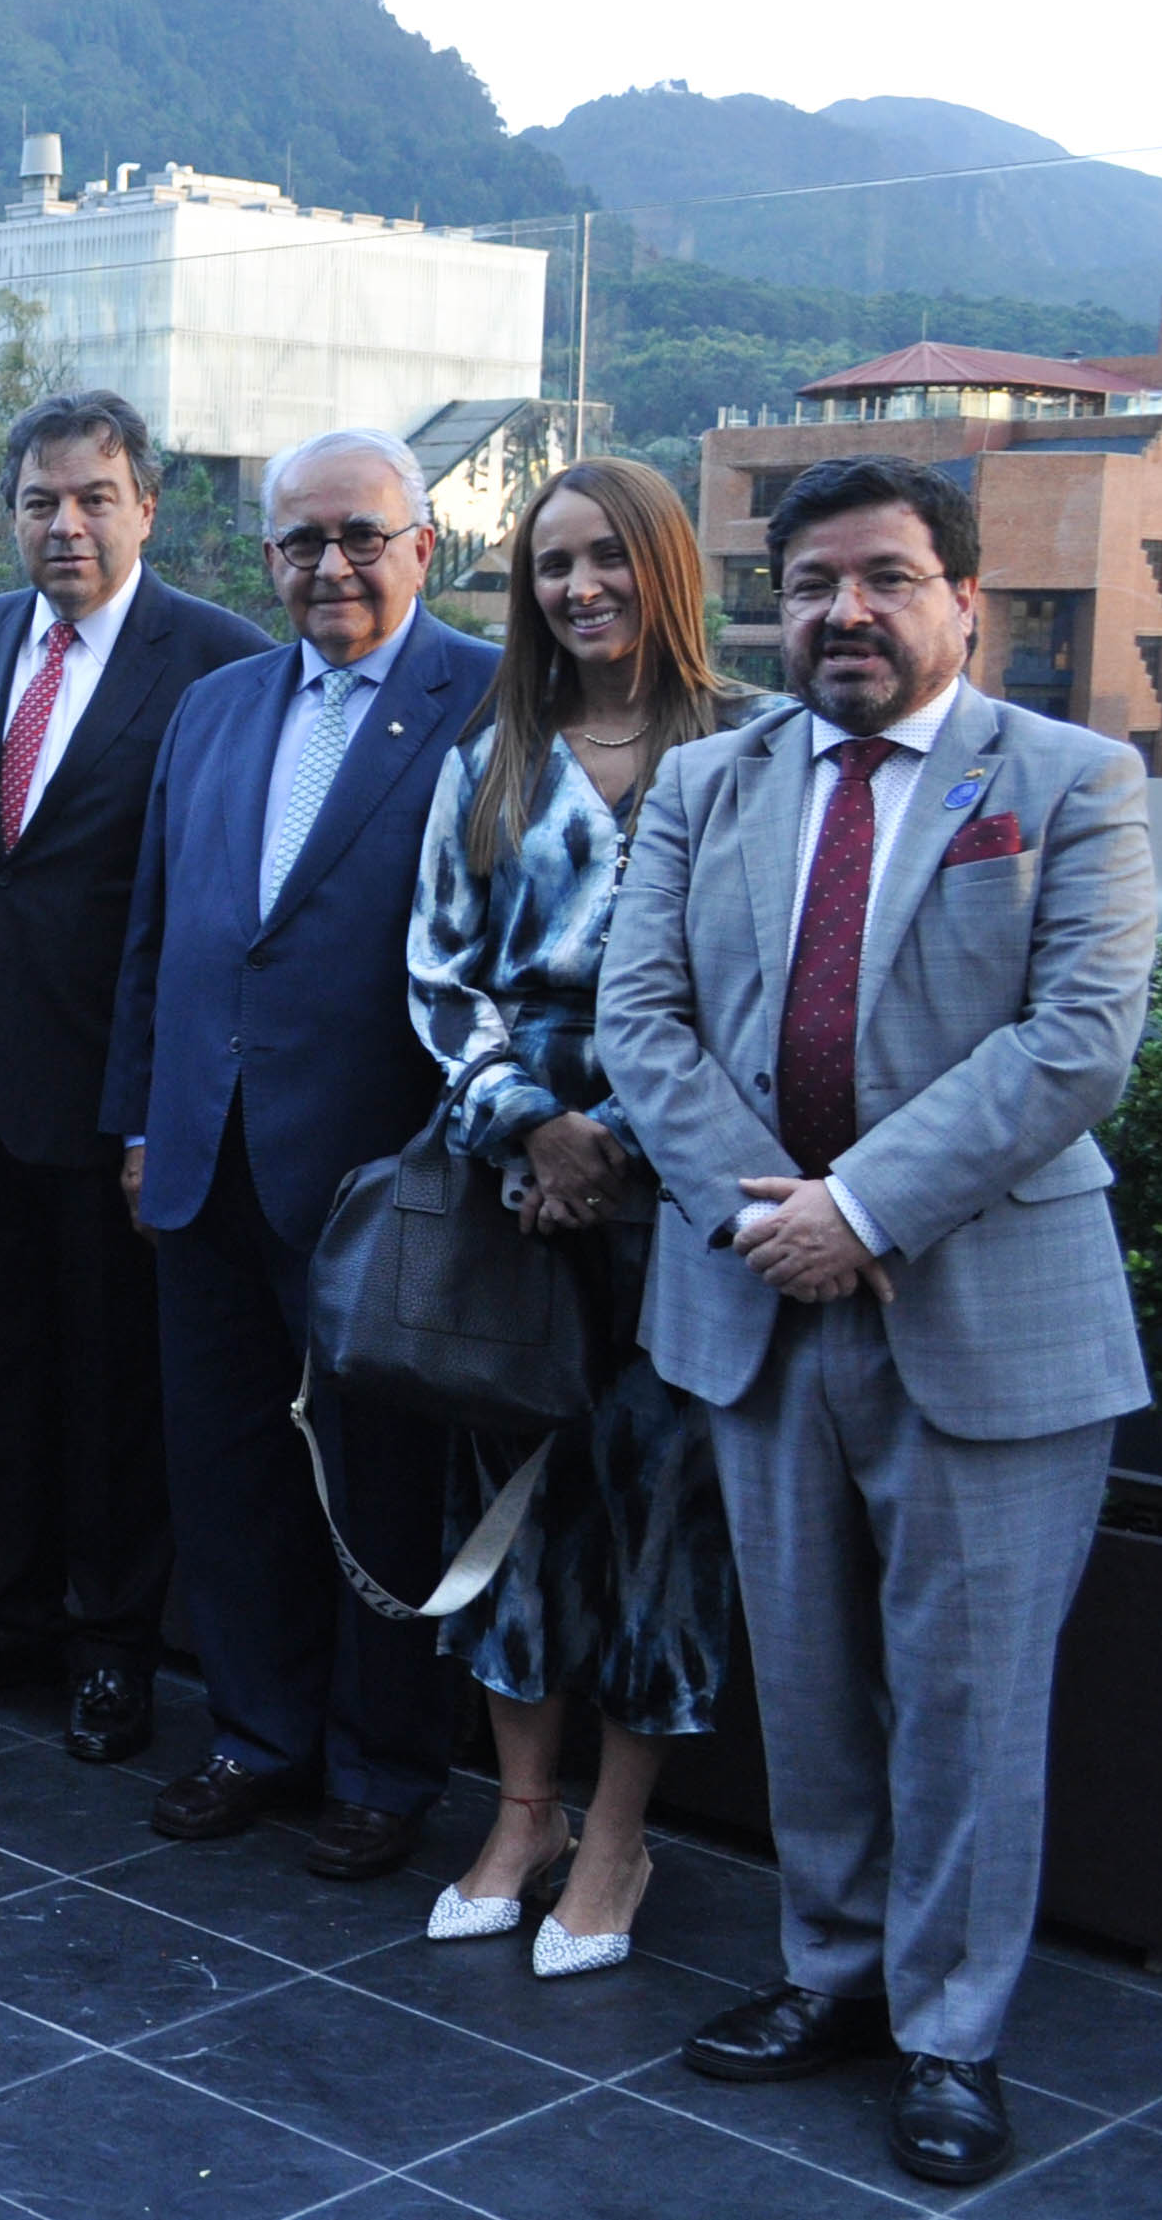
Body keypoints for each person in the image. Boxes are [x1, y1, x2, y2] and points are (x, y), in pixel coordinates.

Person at [600, 454, 1155, 2188]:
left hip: (989, 1315)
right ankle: (826, 1973)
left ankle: (949, 2035)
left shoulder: (1068, 779)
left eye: (887, 577)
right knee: (809, 1684)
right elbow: (639, 1018)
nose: (844, 610)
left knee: (967, 1701)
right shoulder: (707, 782)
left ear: (960, 599)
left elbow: (1073, 1041)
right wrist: (778, 1219)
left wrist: (860, 1209)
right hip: (756, 1301)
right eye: (814, 579)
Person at [102, 427, 499, 1879]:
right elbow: (160, 934)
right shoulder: (216, 708)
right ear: (263, 557)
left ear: (423, 546)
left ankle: (382, 1765)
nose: (329, 564)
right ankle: (254, 1736)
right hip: (202, 1163)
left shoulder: (489, 701)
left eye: (359, 536)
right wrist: (138, 1121)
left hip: (379, 1178)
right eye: (299, 542)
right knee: (222, 1472)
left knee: (380, 1487)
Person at [406, 458, 762, 1975]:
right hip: (515, 1192)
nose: (578, 587)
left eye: (606, 556)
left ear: (661, 566)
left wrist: (613, 1141)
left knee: (660, 1520)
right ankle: (522, 1814)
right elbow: (438, 968)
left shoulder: (752, 746)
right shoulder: (494, 749)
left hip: (685, 1191)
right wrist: (532, 1133)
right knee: (510, 1508)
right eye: (551, 564)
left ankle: (619, 1837)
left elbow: (764, 987)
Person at [0, 393, 270, 1765]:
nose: (64, 524)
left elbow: (211, 902)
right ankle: (5, 1614)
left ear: (146, 505)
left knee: (113, 1389)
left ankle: (114, 1648)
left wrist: (150, 1108)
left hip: (114, 1098)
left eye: (93, 497)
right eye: (38, 501)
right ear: (10, 512)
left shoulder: (218, 661)